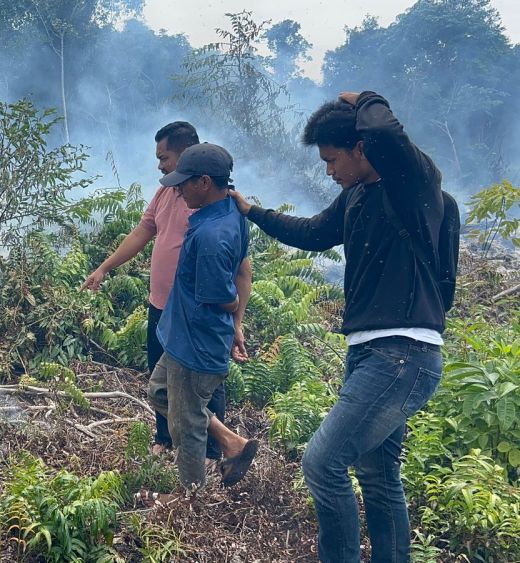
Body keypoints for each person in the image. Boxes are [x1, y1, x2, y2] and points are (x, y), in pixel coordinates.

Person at [228, 92, 447, 562]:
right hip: (372, 351)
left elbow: (387, 130)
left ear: (360, 148)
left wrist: (366, 97)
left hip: (403, 351)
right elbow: (310, 234)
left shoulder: (412, 185)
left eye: (332, 159)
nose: (328, 170)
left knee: (323, 463)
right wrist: (254, 212)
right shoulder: (355, 197)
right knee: (378, 475)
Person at [82, 122, 253, 464]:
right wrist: (104, 267)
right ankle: (168, 436)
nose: (160, 165)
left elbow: (241, 270)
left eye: (165, 157)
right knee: (161, 381)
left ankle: (210, 453)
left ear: (188, 156)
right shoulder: (167, 192)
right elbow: (143, 231)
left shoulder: (212, 206)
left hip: (198, 315)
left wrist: (237, 319)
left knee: (201, 385)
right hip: (163, 306)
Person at [138, 142, 259, 506]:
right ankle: (231, 442)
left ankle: (191, 499)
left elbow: (222, 294)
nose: (177, 189)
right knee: (160, 393)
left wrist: (233, 310)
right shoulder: (228, 212)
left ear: (204, 182)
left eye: (184, 183)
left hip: (195, 345)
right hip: (181, 336)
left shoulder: (211, 236)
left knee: (185, 426)